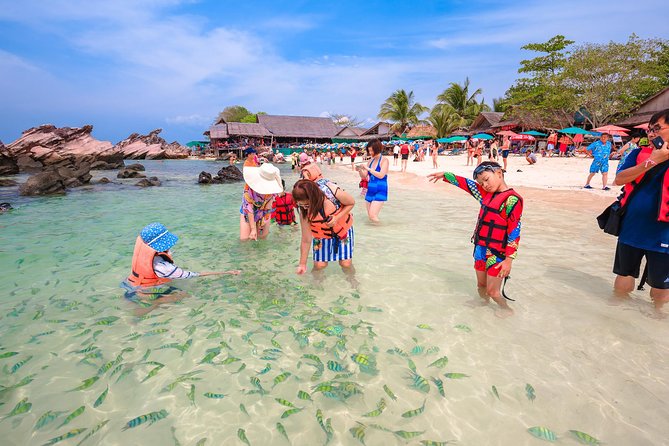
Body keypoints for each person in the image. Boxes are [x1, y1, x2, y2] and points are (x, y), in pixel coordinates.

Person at [428, 162, 523, 316]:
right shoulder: (485, 194)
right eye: (481, 183)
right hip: (480, 249)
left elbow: (514, 232)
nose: (484, 185)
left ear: (499, 173)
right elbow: (467, 184)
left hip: (496, 254)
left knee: (493, 292)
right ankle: (483, 303)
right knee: (481, 285)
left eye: (486, 179)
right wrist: (445, 175)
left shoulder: (512, 200)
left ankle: (506, 309)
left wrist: (509, 260)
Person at [612, 109, 669, 315]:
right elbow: (619, 179)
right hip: (633, 225)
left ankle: (657, 318)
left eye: (657, 128)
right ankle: (616, 316)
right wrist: (652, 161)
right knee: (624, 274)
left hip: (664, 232)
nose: (651, 134)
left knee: (661, 287)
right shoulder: (638, 154)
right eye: (649, 129)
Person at [122, 222, 240, 313]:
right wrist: (227, 272)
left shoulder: (146, 251)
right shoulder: (165, 267)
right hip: (144, 291)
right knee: (184, 294)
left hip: (129, 284)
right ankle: (154, 304)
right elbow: (193, 274)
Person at [292, 179, 355, 274]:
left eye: (307, 205)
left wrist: (337, 217)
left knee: (345, 263)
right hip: (320, 236)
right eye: (300, 205)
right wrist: (302, 264)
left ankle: (353, 282)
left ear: (314, 198)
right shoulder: (304, 211)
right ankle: (316, 286)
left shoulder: (332, 192)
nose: (304, 208)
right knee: (319, 265)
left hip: (343, 233)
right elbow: (306, 239)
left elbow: (351, 203)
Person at [240, 163, 283, 241]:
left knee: (263, 238)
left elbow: (268, 206)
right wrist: (253, 229)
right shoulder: (249, 188)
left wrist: (262, 222)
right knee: (245, 239)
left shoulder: (273, 187)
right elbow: (248, 208)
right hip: (248, 212)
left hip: (264, 212)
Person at [357, 139, 389, 222]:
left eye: (371, 151)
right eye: (369, 151)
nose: (370, 153)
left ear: (377, 149)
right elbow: (364, 176)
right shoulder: (370, 161)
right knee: (370, 217)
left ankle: (383, 231)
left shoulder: (384, 160)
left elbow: (381, 175)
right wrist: (360, 170)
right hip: (370, 190)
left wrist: (368, 169)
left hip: (380, 190)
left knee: (373, 215)